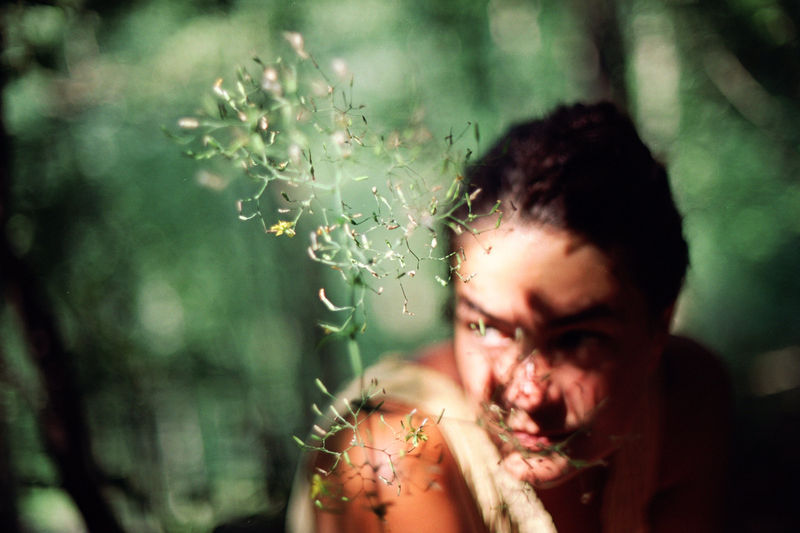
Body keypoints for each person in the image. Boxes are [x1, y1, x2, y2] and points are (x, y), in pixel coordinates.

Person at [287, 102, 730, 533]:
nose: (527, 393)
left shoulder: (685, 395)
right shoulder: (391, 453)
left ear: (658, 328)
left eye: (576, 340)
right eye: (486, 328)